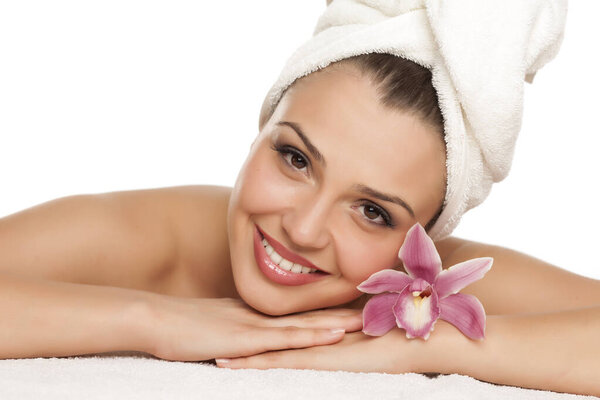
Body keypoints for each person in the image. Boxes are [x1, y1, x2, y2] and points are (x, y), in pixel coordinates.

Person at [1, 0, 599, 397]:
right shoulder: (148, 236)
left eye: (373, 212)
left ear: (422, 242)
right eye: (295, 159)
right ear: (261, 127)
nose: (305, 229)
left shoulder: (430, 290)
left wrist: (434, 344)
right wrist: (154, 321)